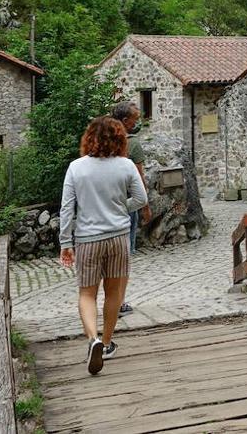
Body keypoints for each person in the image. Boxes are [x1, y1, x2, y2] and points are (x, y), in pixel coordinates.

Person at [59, 115, 148, 375]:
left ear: (89, 138)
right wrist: (120, 208)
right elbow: (141, 199)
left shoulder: (76, 167)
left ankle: (92, 339)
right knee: (113, 293)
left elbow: (67, 209)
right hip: (118, 237)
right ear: (120, 139)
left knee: (87, 294)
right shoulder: (126, 165)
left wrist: (65, 242)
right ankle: (107, 343)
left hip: (88, 239)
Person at [109, 102, 151, 316]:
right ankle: (119, 302)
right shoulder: (132, 144)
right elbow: (139, 178)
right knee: (124, 254)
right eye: (135, 119)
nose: (138, 122)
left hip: (103, 204)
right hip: (126, 205)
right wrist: (145, 207)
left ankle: (110, 300)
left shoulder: (102, 140)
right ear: (126, 121)